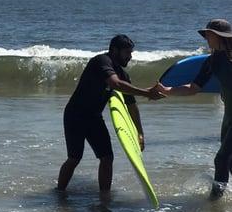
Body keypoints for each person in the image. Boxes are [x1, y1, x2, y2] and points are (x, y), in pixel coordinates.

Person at [57, 35, 164, 192]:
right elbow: (115, 83)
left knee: (107, 158)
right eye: (127, 52)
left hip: (94, 118)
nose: (130, 56)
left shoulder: (123, 75)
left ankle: (104, 197)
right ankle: (59, 192)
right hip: (76, 115)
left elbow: (132, 106)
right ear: (115, 50)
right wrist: (147, 93)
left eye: (131, 52)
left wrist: (140, 133)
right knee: (74, 158)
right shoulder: (101, 61)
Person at [155, 19, 232, 199]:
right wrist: (167, 90)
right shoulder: (212, 61)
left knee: (220, 159)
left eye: (209, 34)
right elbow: (193, 88)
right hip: (228, 118)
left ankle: (214, 202)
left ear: (220, 36)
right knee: (228, 162)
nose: (206, 38)